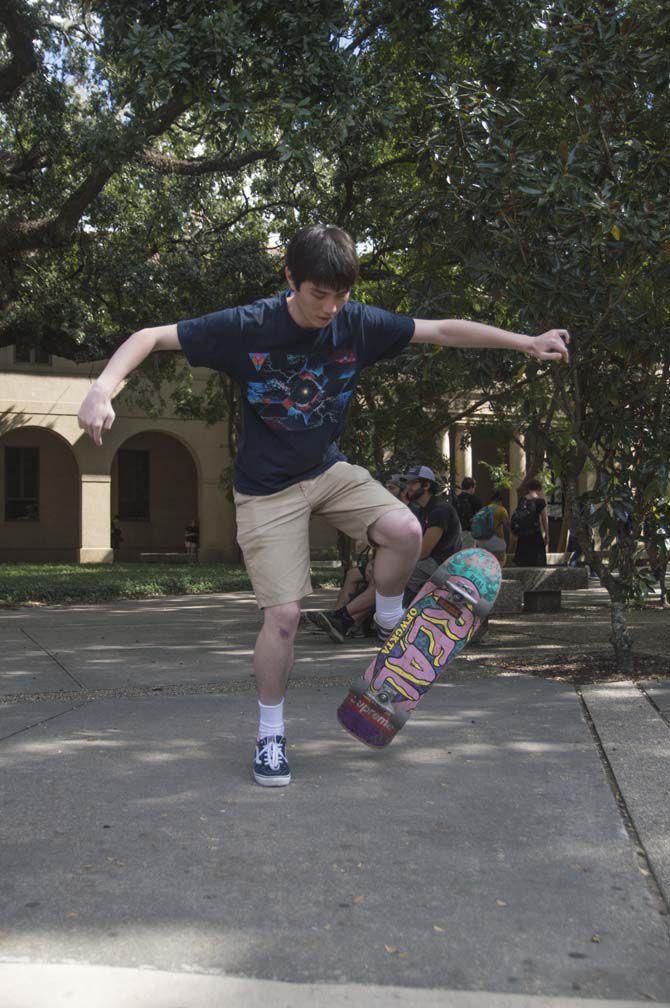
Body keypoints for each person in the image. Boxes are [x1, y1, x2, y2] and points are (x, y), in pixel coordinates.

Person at [77, 222, 569, 787]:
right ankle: (270, 736)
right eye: (319, 295)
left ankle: (388, 613)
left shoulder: (357, 322)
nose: (331, 308)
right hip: (265, 490)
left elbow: (443, 331)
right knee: (283, 619)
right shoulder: (249, 325)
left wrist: (525, 342)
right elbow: (150, 335)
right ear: (291, 279)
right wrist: (103, 387)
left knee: (407, 531)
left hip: (326, 469)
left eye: (341, 296)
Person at [401, 465, 463, 605]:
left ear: (427, 485)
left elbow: (424, 551)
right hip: (432, 561)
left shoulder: (439, 510)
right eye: (408, 483)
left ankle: (403, 619)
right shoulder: (424, 509)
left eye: (413, 483)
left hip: (442, 563)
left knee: (399, 574)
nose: (408, 487)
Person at [512, 479, 548, 567]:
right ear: (539, 489)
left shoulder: (522, 500)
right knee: (537, 560)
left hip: (523, 535)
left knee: (523, 561)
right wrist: (547, 534)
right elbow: (544, 518)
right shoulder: (540, 501)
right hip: (535, 534)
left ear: (528, 489)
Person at [473, 488, 509, 565]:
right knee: (500, 561)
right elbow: (506, 525)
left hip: (481, 540)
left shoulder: (483, 509)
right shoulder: (501, 510)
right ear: (500, 501)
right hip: (495, 540)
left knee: (484, 563)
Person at [454, 477, 484, 547]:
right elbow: (481, 516)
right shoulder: (475, 500)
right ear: (471, 487)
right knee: (469, 555)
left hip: (457, 533)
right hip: (470, 532)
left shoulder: (456, 499)